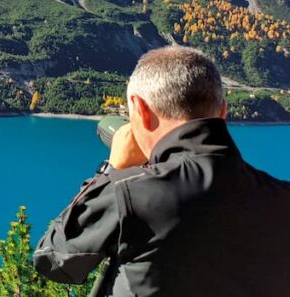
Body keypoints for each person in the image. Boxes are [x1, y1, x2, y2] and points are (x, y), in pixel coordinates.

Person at [34, 45, 290, 296]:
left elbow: (53, 260)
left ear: (141, 109)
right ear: (222, 111)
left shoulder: (129, 195)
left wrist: (111, 171)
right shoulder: (281, 197)